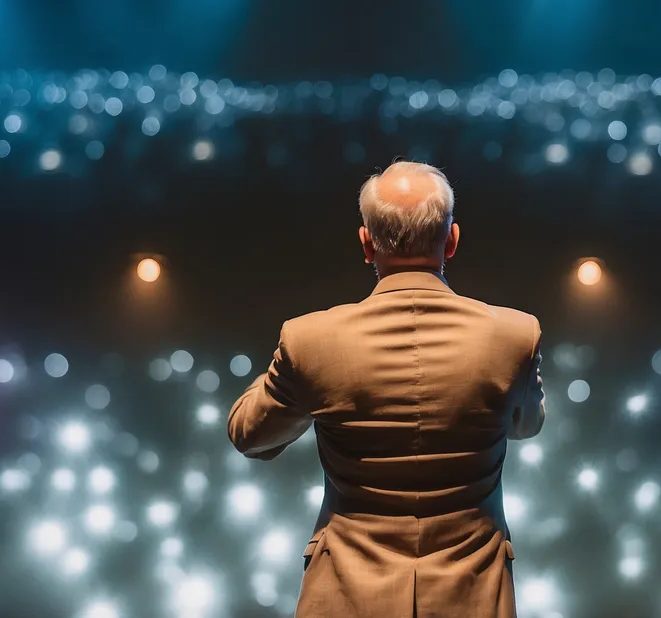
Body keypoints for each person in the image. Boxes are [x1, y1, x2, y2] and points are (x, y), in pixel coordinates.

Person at [228, 161, 545, 618]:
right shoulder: (515, 335)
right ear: (451, 241)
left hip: (346, 598)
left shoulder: (310, 341)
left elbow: (249, 434)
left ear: (366, 242)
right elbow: (527, 424)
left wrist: (296, 371)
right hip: (473, 597)